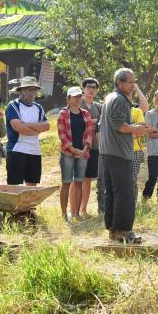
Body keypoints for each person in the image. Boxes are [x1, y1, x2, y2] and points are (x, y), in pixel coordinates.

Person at [100, 68, 149, 244]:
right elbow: (119, 125)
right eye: (130, 82)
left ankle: (113, 229)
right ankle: (123, 230)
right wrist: (135, 129)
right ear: (119, 83)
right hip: (119, 153)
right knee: (125, 193)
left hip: (108, 152)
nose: (133, 86)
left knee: (113, 192)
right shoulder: (119, 99)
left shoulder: (109, 98)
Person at [57, 87, 94, 222]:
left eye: (79, 96)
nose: (77, 99)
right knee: (66, 183)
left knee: (79, 182)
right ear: (68, 98)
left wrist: (85, 148)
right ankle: (63, 214)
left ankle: (76, 214)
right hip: (68, 153)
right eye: (74, 97)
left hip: (83, 153)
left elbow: (90, 132)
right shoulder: (62, 114)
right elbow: (62, 135)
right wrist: (73, 149)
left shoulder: (86, 114)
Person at [5, 76, 50, 186]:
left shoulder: (38, 107)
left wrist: (26, 124)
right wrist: (36, 129)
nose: (32, 93)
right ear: (22, 90)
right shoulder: (13, 105)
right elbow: (18, 127)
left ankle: (28, 204)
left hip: (34, 150)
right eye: (29, 89)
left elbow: (47, 126)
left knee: (32, 186)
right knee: (14, 186)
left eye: (34, 90)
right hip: (17, 149)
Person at [68, 78, 103, 217]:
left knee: (87, 179)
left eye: (94, 87)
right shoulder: (77, 102)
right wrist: (92, 122)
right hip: (76, 146)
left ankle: (83, 209)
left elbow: (101, 125)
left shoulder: (99, 107)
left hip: (94, 146)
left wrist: (91, 123)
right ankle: (72, 210)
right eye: (88, 86)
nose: (91, 89)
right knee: (75, 179)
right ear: (82, 88)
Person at [130, 84, 150, 202]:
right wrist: (134, 128)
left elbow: (141, 129)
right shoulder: (115, 107)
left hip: (136, 149)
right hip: (119, 149)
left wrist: (136, 88)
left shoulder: (136, 110)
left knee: (133, 178)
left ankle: (133, 202)